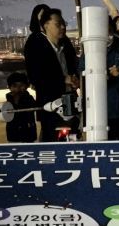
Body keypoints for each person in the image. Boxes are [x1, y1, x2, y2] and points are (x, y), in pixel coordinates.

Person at [23, 8, 81, 142]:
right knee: (54, 143)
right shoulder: (36, 45)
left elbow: (75, 68)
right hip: (50, 105)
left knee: (73, 142)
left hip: (71, 102)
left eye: (64, 23)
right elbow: (35, 77)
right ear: (45, 25)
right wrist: (63, 80)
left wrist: (75, 80)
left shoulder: (66, 45)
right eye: (58, 24)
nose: (63, 27)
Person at [5, 72, 37, 143]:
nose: (18, 88)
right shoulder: (8, 101)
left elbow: (34, 107)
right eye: (15, 86)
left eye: (21, 85)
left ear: (26, 86)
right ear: (9, 87)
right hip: (13, 134)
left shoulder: (29, 98)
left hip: (29, 133)